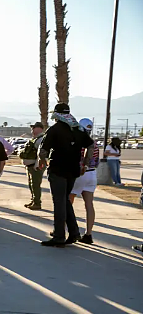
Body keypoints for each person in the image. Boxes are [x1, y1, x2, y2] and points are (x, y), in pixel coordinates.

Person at [38, 103, 94, 247]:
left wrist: (42, 160)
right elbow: (90, 145)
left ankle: (59, 236)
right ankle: (74, 233)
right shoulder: (79, 129)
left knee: (59, 202)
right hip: (73, 170)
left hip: (58, 170)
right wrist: (85, 163)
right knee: (65, 201)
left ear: (56, 115)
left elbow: (43, 149)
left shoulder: (55, 129)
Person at [69, 118, 99, 244]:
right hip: (92, 174)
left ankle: (67, 231)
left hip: (79, 174)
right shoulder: (94, 143)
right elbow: (96, 162)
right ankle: (88, 234)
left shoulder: (78, 142)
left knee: (68, 202)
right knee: (89, 205)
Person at [20, 122, 46, 210]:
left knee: (35, 185)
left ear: (40, 128)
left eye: (34, 128)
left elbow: (42, 154)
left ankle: (37, 203)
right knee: (32, 184)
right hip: (30, 166)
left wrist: (37, 165)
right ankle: (33, 200)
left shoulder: (40, 139)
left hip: (35, 166)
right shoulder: (35, 139)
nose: (32, 130)